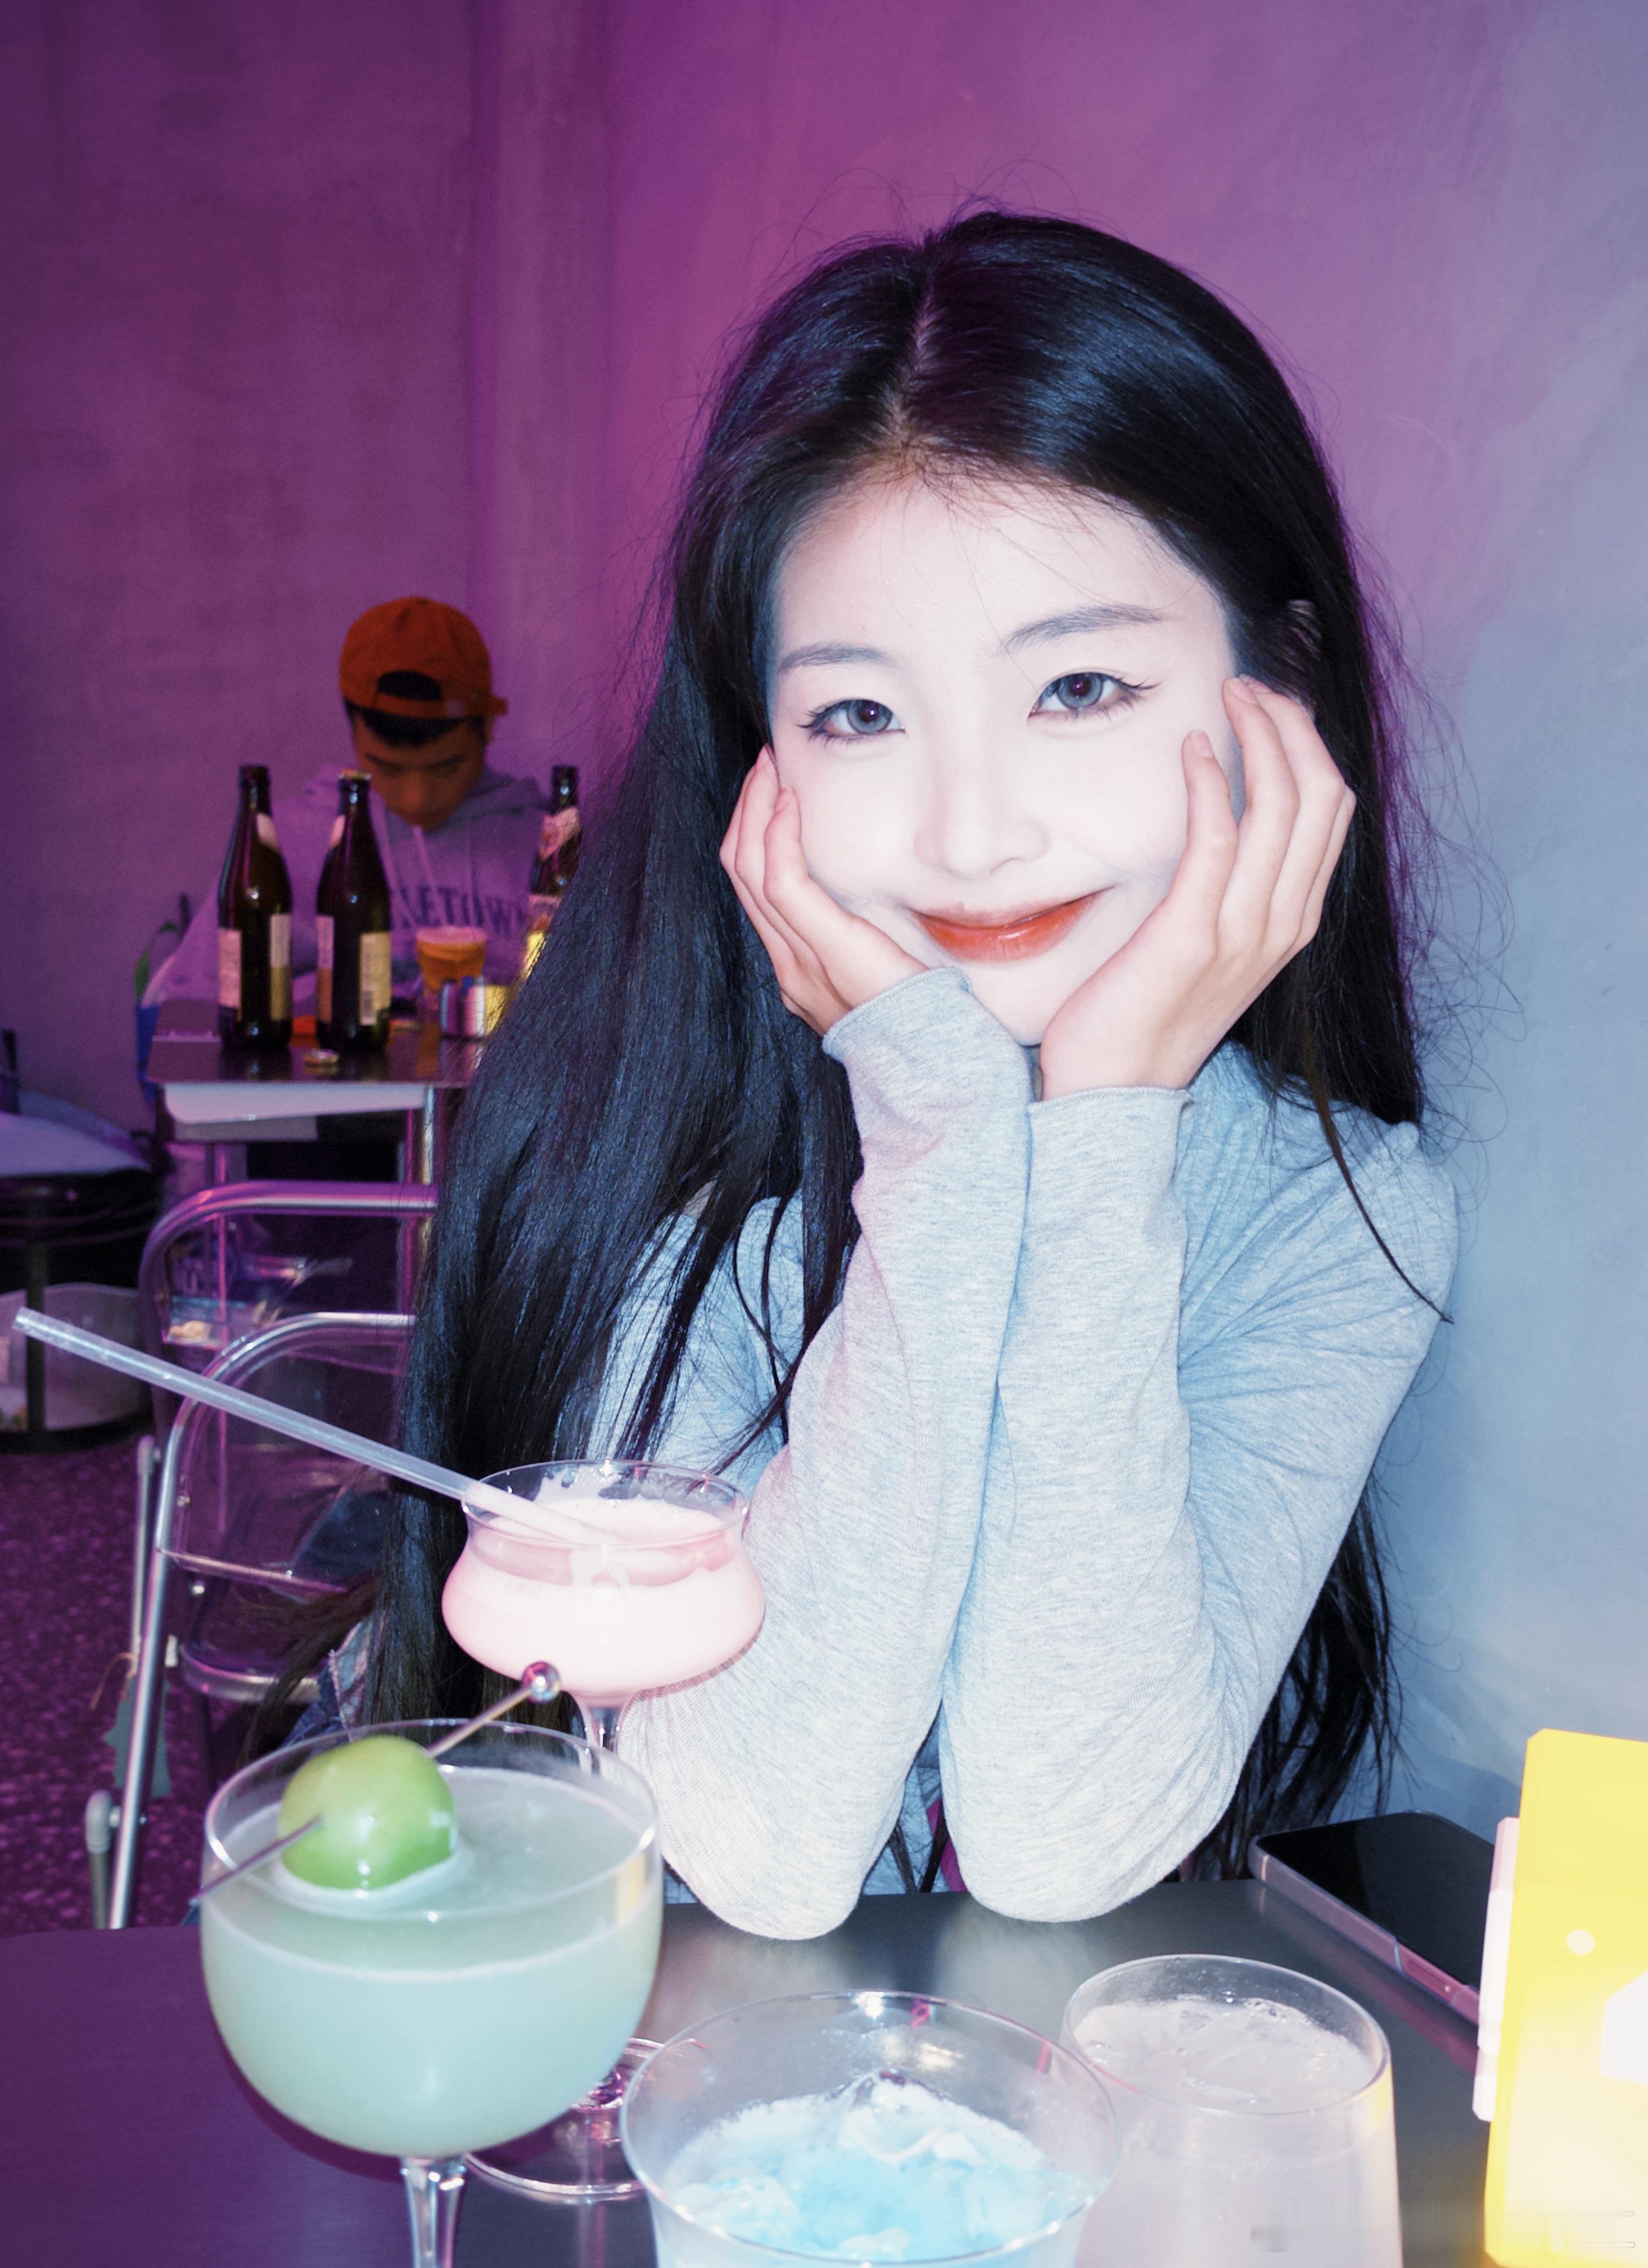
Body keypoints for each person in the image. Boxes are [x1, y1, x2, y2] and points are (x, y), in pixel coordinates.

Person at [339, 212, 1458, 1938]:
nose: (969, 834)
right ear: (762, 759)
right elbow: (756, 1843)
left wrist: (1105, 1120)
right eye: (859, 714)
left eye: (1079, 686)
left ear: (1280, 690)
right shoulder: (690, 1149)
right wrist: (942, 1130)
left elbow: (1064, 1835)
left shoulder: (1335, 1210)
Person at [153, 597, 547, 1005]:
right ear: (353, 732)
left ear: (488, 727)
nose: (417, 798)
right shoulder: (286, 842)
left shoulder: (543, 842)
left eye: (446, 768)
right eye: (388, 769)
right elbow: (191, 999)